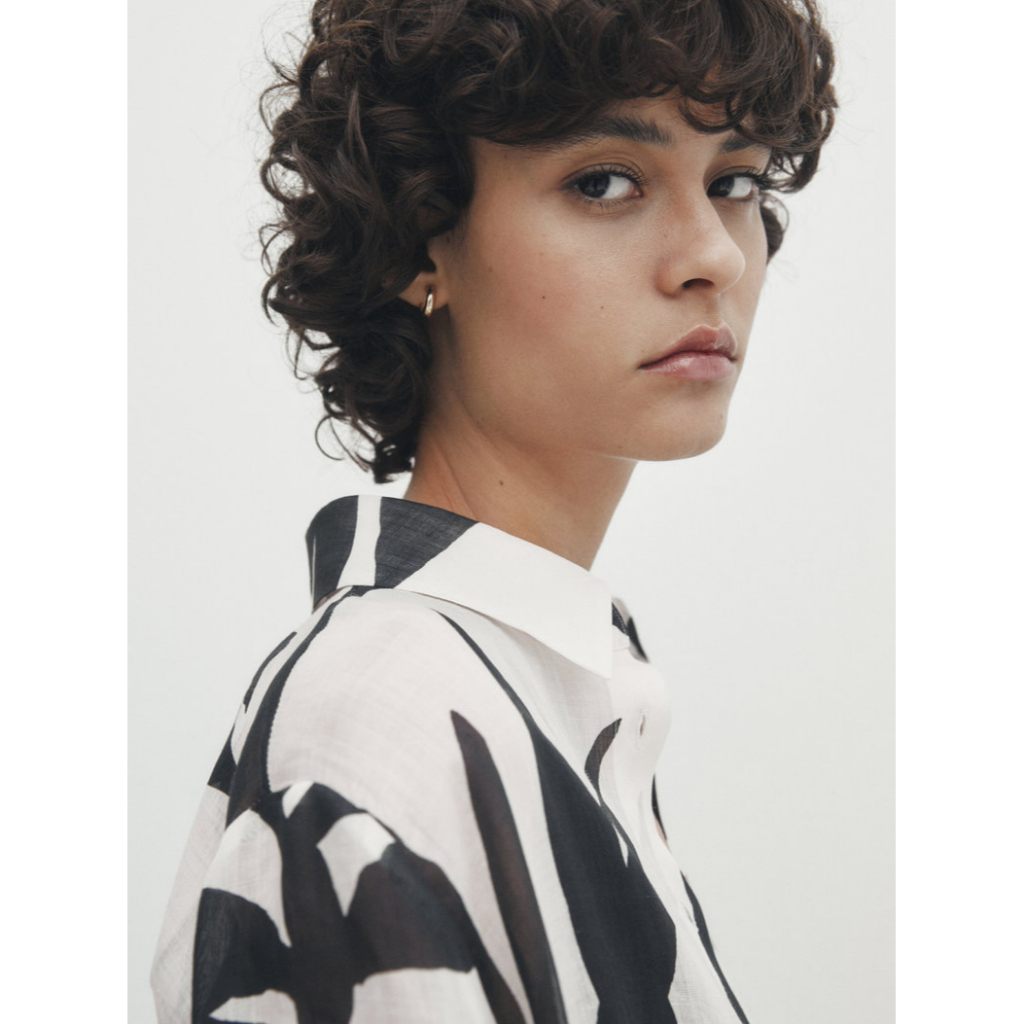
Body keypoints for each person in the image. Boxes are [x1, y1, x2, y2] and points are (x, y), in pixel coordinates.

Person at [151, 0, 838, 1020]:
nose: (716, 255)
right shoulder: (390, 713)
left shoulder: (536, 684)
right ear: (416, 241)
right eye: (604, 182)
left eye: (734, 181)